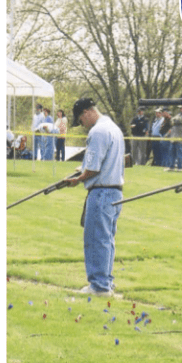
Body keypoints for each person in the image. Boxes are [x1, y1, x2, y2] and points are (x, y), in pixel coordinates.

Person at [67, 98, 125, 297]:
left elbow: (93, 168)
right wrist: (82, 169)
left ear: (86, 112)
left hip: (101, 192)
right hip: (115, 191)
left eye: (80, 119)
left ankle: (99, 286)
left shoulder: (97, 132)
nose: (82, 124)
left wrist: (78, 179)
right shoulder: (114, 128)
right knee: (107, 239)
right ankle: (106, 282)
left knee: (96, 239)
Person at [168, 105, 182, 170]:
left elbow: (177, 121)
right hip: (174, 137)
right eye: (180, 108)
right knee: (172, 153)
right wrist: (174, 120)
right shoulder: (178, 115)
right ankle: (171, 167)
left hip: (180, 138)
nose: (180, 109)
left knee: (179, 154)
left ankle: (180, 167)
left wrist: (174, 120)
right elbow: (172, 120)